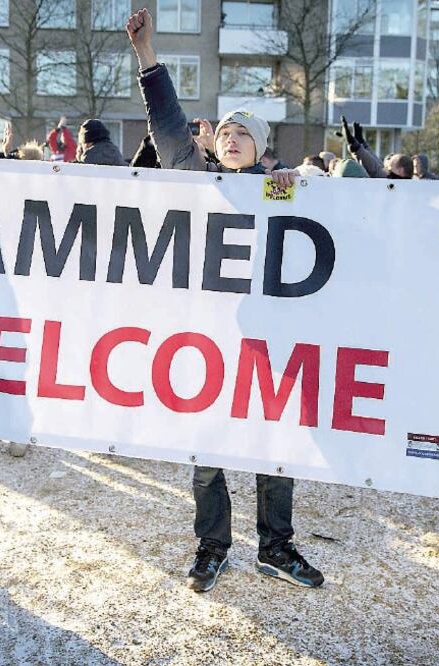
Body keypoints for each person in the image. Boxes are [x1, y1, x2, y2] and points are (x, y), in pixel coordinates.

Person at [127, 7, 320, 594]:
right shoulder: (192, 177)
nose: (232, 138)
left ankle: (276, 546)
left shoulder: (285, 190)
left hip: (268, 339)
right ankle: (213, 546)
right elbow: (166, 121)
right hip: (205, 339)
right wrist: (147, 55)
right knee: (207, 451)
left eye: (245, 133)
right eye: (226, 132)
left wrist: (296, 187)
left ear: (260, 150)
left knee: (274, 447)